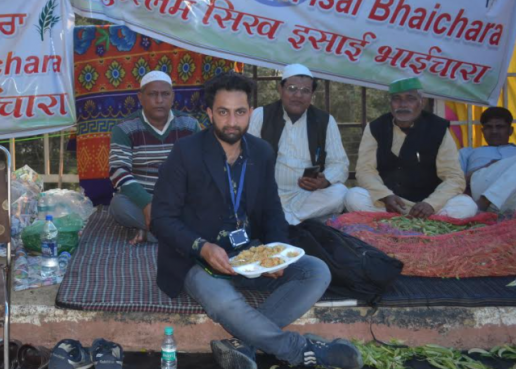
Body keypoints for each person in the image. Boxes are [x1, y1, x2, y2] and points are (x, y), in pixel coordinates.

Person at [152, 71, 362, 369]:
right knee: (223, 302)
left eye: (240, 112)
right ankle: (300, 350)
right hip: (197, 259)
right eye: (223, 112)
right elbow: (161, 219)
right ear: (210, 113)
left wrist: (276, 253)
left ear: (251, 112)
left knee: (316, 271)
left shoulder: (261, 152)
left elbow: (271, 212)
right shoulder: (186, 152)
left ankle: (243, 344)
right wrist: (203, 247)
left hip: (246, 254)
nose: (232, 122)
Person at [345, 78, 477, 219]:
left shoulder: (438, 128)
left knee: (466, 205)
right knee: (353, 196)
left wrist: (431, 204)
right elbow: (365, 171)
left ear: (422, 102)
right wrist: (385, 195)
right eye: (397, 99)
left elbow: (454, 177)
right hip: (388, 205)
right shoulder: (375, 128)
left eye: (410, 98)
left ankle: (414, 222)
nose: (403, 105)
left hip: (428, 206)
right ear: (390, 103)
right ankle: (405, 222)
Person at [247, 64, 349, 225]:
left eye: (305, 91)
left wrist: (324, 180)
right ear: (280, 89)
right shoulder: (262, 115)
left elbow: (340, 163)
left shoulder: (324, 120)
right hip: (270, 194)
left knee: (341, 192)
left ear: (312, 95)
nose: (298, 95)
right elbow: (247, 157)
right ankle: (295, 219)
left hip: (307, 197)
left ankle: (287, 220)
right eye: (292, 88)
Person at [108, 70, 201, 243]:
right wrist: (147, 203)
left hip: (179, 200)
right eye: (152, 94)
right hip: (141, 199)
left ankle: (152, 232)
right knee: (118, 205)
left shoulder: (189, 125)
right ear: (140, 97)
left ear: (172, 97)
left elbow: (200, 169)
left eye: (165, 94)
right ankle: (176, 232)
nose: (159, 100)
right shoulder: (124, 128)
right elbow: (118, 172)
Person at [460, 107, 516, 212]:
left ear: (510, 130)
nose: (494, 131)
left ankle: (490, 200)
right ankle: (487, 199)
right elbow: (454, 182)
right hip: (483, 187)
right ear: (482, 131)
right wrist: (487, 167)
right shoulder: (467, 152)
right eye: (488, 127)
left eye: (500, 127)